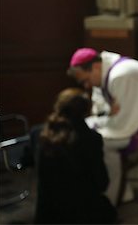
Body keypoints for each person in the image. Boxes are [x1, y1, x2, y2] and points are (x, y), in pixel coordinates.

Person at [66, 47, 138, 205]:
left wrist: (99, 123)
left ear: (95, 67)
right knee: (86, 132)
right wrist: (106, 115)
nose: (86, 86)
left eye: (85, 80)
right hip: (131, 119)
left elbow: (125, 120)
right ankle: (114, 188)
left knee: (99, 143)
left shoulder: (122, 76)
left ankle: (112, 196)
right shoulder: (105, 72)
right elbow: (100, 109)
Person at [35, 88, 117, 224]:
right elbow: (102, 183)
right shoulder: (91, 138)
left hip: (48, 214)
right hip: (82, 214)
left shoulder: (38, 133)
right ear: (86, 111)